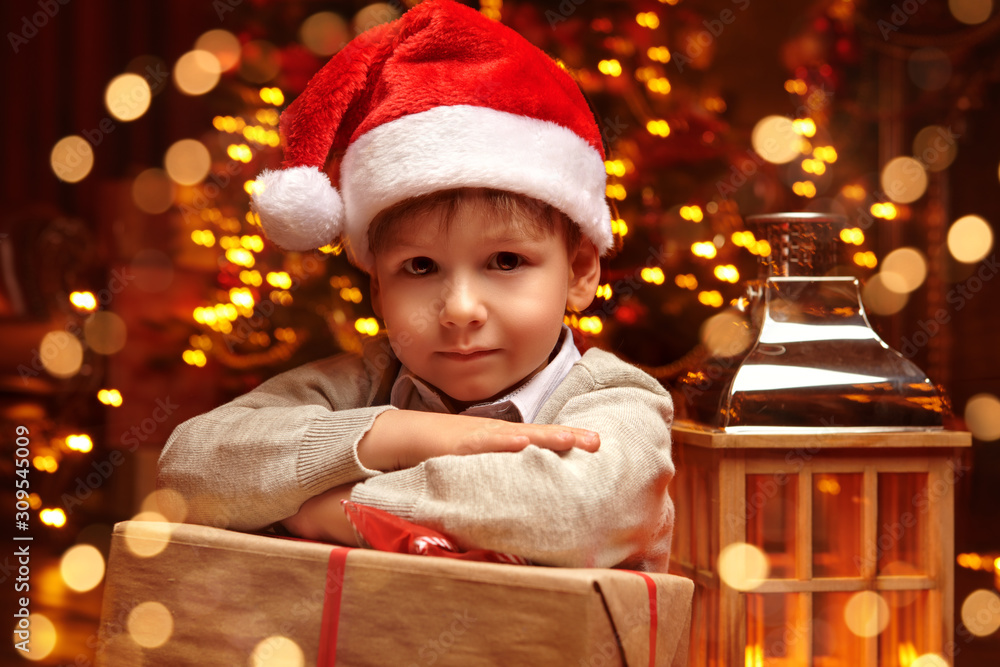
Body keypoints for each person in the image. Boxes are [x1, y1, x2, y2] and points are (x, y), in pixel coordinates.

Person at [158, 0, 675, 572]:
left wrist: (338, 509)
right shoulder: (364, 383)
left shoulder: (616, 399)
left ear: (579, 272)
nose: (460, 310)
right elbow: (190, 465)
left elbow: (573, 512)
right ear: (378, 289)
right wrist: (399, 434)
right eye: (421, 268)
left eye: (505, 261)